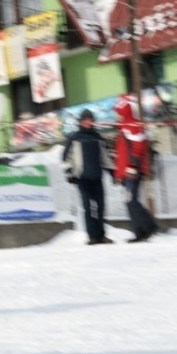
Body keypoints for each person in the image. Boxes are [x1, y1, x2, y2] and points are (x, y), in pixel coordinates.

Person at [62, 109, 114, 245]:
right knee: (88, 207)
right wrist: (69, 173)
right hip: (82, 178)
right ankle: (92, 236)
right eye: (85, 120)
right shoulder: (75, 138)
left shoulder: (97, 137)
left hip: (97, 177)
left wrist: (111, 171)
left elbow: (105, 157)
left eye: (90, 120)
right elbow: (66, 158)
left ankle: (102, 235)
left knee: (101, 207)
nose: (88, 122)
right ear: (81, 122)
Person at [113, 99, 158, 242]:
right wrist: (119, 173)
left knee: (131, 200)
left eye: (119, 112)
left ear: (124, 112)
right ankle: (140, 232)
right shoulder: (125, 127)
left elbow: (138, 148)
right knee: (130, 200)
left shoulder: (131, 126)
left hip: (132, 171)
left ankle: (148, 227)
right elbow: (122, 154)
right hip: (128, 171)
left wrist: (131, 168)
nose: (117, 115)